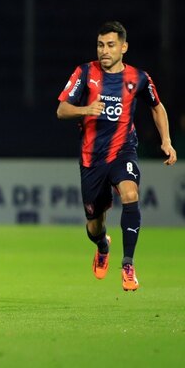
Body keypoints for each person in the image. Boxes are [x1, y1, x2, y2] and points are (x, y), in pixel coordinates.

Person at [57, 21, 177, 291]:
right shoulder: (85, 73)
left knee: (130, 194)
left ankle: (128, 264)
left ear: (124, 47)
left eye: (111, 45)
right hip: (91, 159)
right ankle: (103, 246)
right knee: (93, 226)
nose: (104, 51)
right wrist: (86, 109)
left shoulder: (138, 78)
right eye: (100, 45)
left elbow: (157, 108)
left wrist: (166, 141)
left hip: (123, 150)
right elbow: (62, 110)